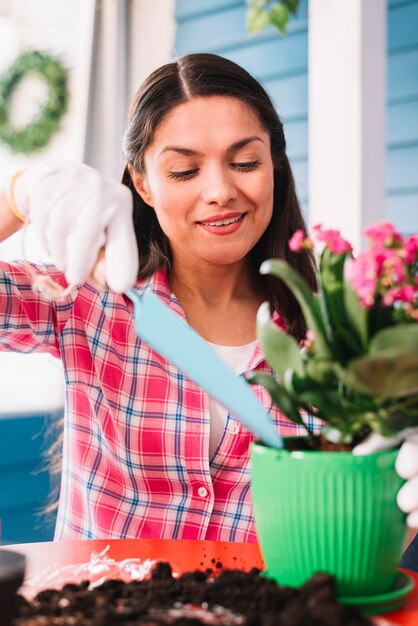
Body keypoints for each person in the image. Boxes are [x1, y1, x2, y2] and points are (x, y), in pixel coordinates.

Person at [0, 53, 417, 545]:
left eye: (244, 162)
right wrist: (19, 195)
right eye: (183, 171)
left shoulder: (344, 332)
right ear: (142, 185)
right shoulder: (85, 300)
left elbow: (362, 540)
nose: (220, 190)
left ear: (275, 166)